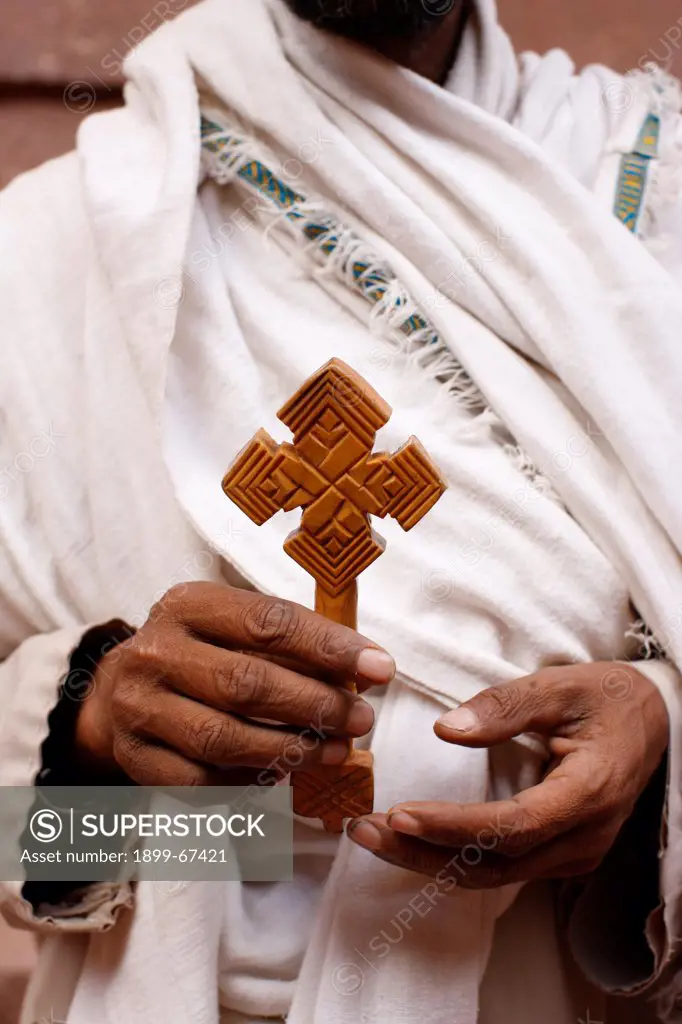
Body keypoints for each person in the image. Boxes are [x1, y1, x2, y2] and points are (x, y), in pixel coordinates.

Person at [1, 0, 681, 1020]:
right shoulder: (56, 244)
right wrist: (89, 731)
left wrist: (658, 757)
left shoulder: (652, 193)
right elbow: (25, 830)